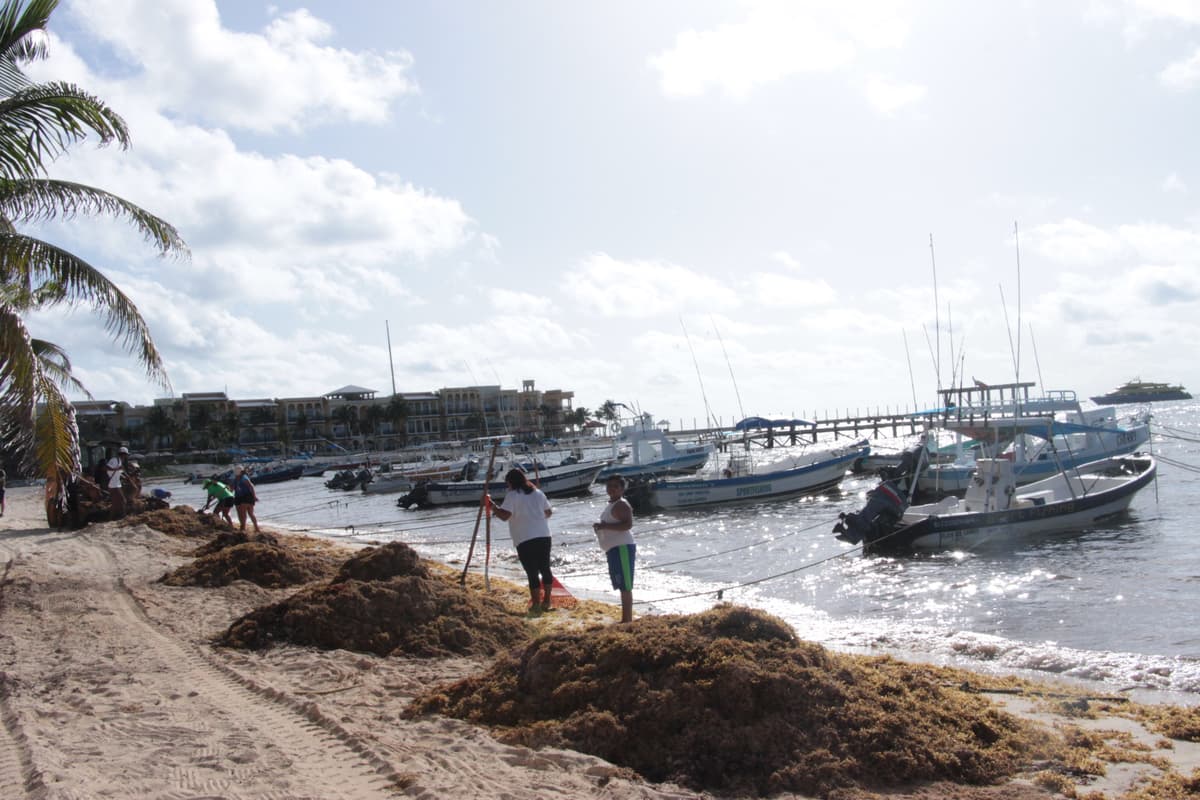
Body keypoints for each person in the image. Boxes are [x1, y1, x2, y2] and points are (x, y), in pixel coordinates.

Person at [490, 468, 554, 612]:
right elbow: (548, 512)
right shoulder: (538, 492)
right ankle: (547, 601)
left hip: (525, 538)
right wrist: (534, 515)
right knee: (545, 568)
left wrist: (492, 506)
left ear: (511, 482)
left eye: (507, 483)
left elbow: (504, 516)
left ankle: (536, 604)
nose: (507, 486)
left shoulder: (513, 495)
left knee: (532, 572)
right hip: (544, 535)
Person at [594, 474, 636, 624]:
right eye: (609, 486)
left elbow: (628, 525)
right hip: (613, 549)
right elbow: (611, 525)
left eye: (615, 486)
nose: (611, 489)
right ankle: (625, 618)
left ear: (622, 489)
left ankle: (627, 620)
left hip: (622, 547)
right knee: (620, 584)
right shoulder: (611, 504)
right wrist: (600, 528)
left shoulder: (621, 504)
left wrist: (605, 526)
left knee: (625, 586)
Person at [232, 466, 260, 533]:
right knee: (240, 513)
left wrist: (254, 497)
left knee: (247, 513)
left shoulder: (244, 478)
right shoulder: (235, 479)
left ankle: (249, 527)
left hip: (246, 497)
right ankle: (243, 526)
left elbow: (251, 486)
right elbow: (232, 488)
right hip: (238, 497)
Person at [106, 446, 129, 520]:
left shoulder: (120, 461)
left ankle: (111, 518)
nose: (126, 457)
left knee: (115, 503)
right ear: (123, 454)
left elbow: (119, 472)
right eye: (125, 455)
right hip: (113, 484)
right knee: (123, 500)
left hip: (117, 483)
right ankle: (123, 517)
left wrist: (125, 477)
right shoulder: (114, 460)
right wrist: (116, 469)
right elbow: (107, 468)